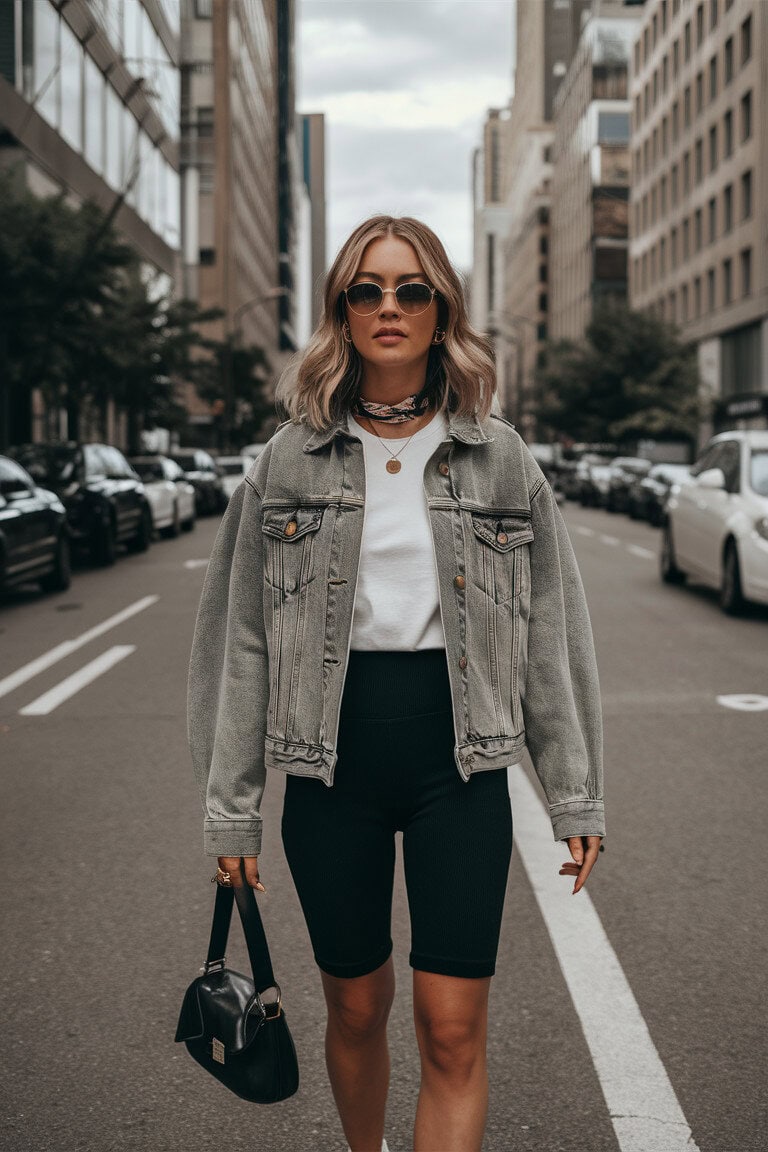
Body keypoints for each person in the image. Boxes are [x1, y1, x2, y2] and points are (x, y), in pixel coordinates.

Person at [187, 216, 604, 1152]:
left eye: (410, 290)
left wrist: (574, 793)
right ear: (341, 312)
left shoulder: (501, 457)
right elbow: (242, 641)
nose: (388, 307)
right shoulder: (287, 459)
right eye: (365, 291)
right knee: (358, 1008)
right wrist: (233, 810)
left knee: (453, 1028)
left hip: (460, 764)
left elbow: (549, 636)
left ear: (441, 309)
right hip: (331, 768)